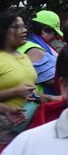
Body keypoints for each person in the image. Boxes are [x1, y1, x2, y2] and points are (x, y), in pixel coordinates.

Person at [0, 12, 39, 147]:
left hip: (26, 123)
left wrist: (45, 98)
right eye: (17, 27)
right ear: (4, 31)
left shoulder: (24, 56)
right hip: (4, 128)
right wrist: (14, 92)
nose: (24, 30)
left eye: (24, 26)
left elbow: (29, 90)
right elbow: (19, 90)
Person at [17, 10, 62, 95]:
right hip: (38, 102)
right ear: (44, 30)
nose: (55, 37)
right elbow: (51, 79)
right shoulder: (33, 48)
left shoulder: (26, 42)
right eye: (54, 34)